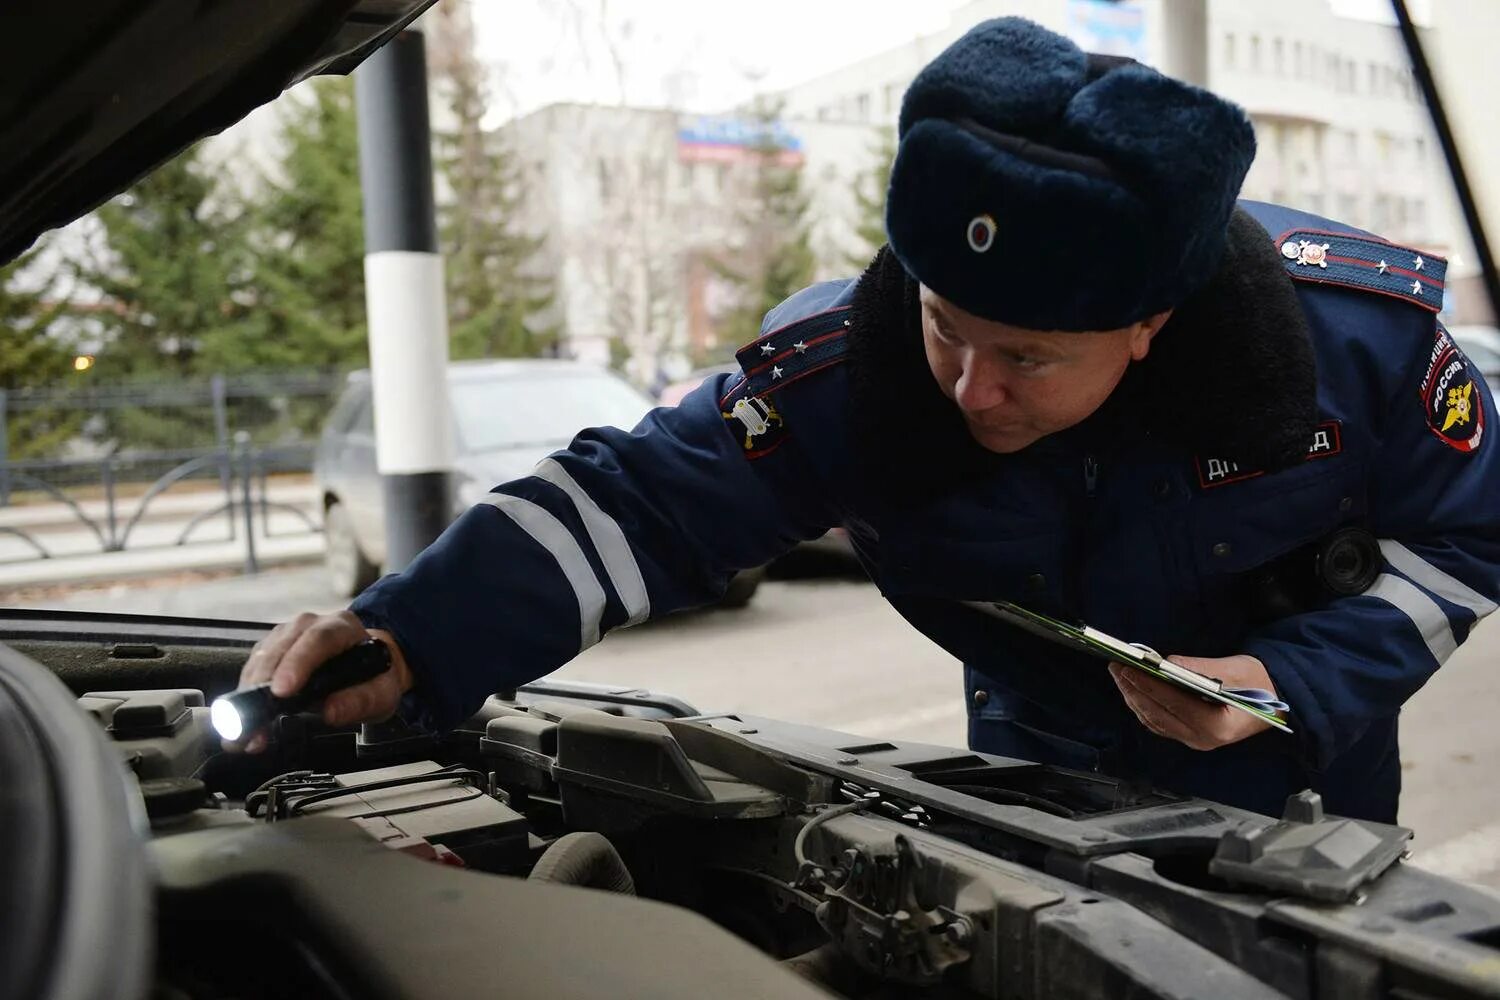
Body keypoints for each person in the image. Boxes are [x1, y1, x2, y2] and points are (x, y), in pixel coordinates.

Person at [233, 18, 1500, 823]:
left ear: (1150, 323)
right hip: (1035, 792)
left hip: (1304, 797)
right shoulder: (855, 370)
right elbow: (638, 505)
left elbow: (1468, 544)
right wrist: (407, 636)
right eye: (947, 323)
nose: (968, 388)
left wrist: (1292, 680)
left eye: (1028, 355)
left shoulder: (1360, 347)